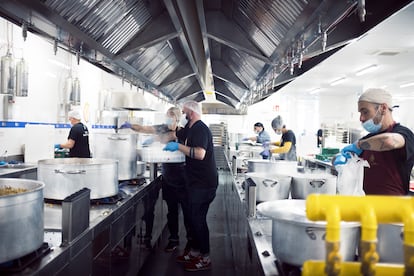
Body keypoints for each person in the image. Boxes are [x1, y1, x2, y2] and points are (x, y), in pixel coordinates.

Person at [120, 107, 191, 252]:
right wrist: (131, 126)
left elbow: (169, 137)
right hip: (168, 175)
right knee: (171, 211)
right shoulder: (163, 127)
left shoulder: (183, 130)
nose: (168, 119)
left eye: (171, 117)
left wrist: (157, 138)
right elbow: (144, 128)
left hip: (183, 176)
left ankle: (191, 242)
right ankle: (173, 239)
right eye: (167, 116)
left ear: (177, 118)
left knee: (187, 211)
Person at [163, 100, 218, 272]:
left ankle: (205, 257)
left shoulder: (200, 128)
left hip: (204, 183)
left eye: (185, 113)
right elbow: (174, 134)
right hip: (195, 182)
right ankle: (194, 252)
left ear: (191, 113)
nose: (184, 116)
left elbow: (200, 154)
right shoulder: (191, 128)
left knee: (198, 220)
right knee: (193, 218)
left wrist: (177, 147)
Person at [334, 88, 414, 195]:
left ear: (383, 108)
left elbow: (389, 141)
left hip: (394, 208)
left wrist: (359, 145)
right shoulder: (368, 139)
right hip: (368, 207)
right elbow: (346, 156)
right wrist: (340, 158)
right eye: (360, 113)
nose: (361, 118)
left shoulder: (404, 133)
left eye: (365, 112)